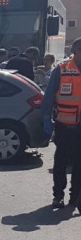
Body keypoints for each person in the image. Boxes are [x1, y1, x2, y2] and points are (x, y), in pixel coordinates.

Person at [40, 37, 81, 212]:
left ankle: (76, 198)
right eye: (80, 49)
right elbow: (49, 95)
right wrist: (45, 118)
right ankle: (58, 195)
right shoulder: (62, 69)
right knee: (61, 161)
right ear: (73, 50)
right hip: (65, 124)